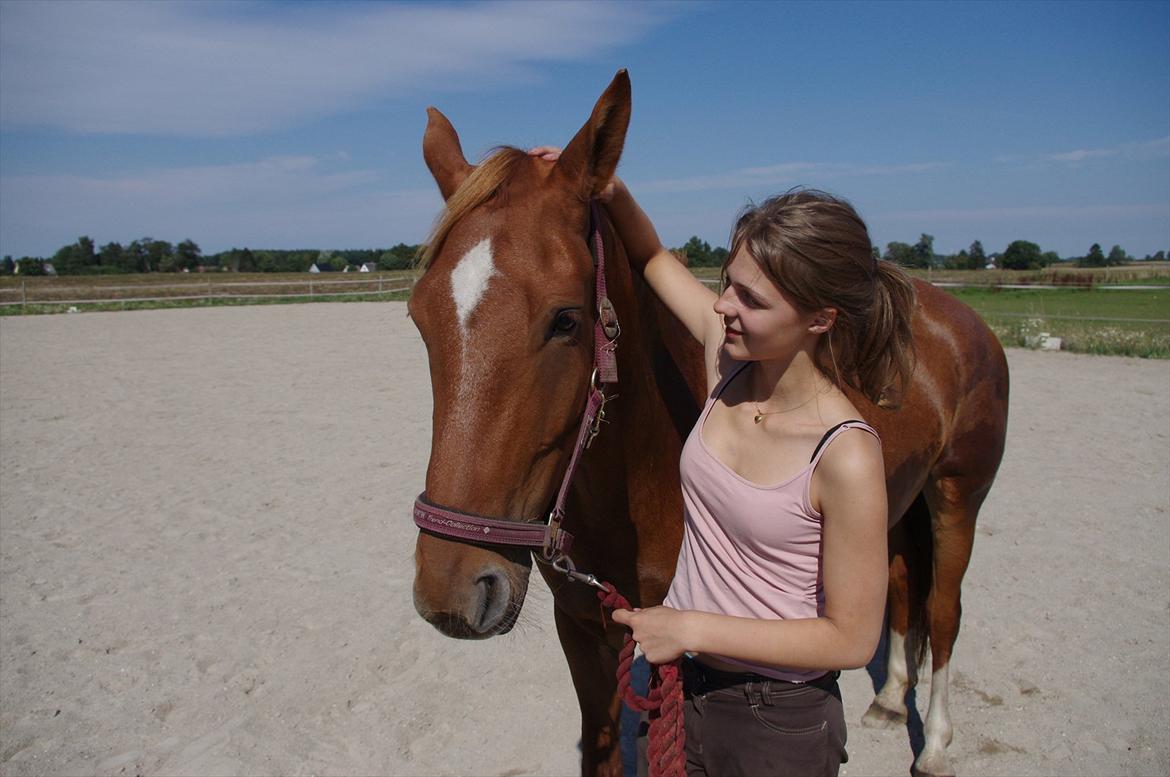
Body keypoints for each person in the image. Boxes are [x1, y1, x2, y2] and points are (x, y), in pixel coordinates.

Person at [530, 148, 916, 777]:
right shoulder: (725, 364)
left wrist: (692, 629)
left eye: (752, 300)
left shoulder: (845, 452)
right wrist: (611, 191)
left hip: (778, 720)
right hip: (683, 691)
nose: (723, 305)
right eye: (728, 282)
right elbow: (653, 258)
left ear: (820, 319)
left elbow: (849, 639)